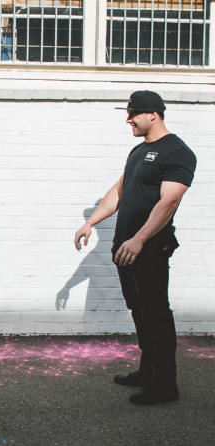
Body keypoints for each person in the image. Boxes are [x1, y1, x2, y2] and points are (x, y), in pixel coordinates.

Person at [74, 91, 196, 405]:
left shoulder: (177, 152)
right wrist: (91, 223)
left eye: (133, 113)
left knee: (156, 312)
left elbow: (169, 202)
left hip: (150, 248)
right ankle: (148, 371)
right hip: (125, 248)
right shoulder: (138, 152)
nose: (128, 119)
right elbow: (118, 192)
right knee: (138, 310)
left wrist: (140, 239)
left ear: (153, 114)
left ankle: (166, 384)